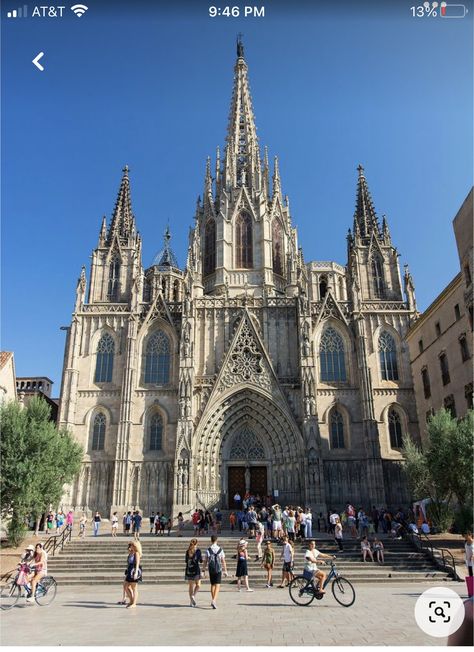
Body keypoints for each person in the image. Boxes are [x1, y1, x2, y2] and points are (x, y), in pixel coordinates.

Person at [202, 535, 228, 609]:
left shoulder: (208, 550)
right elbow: (223, 561)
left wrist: (203, 570)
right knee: (218, 585)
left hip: (211, 569)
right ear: (217, 540)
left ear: (211, 540)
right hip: (218, 569)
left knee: (212, 584)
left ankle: (213, 600)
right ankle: (214, 600)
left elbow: (205, 561)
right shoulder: (220, 549)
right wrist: (225, 570)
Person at [123, 540, 142, 608]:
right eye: (130, 545)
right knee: (126, 586)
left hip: (134, 570)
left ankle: (134, 603)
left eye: (132, 545)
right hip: (129, 570)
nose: (131, 546)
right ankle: (131, 600)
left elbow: (137, 563)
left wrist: (136, 572)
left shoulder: (136, 553)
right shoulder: (131, 553)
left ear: (135, 546)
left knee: (134, 588)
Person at [185, 538, 202, 607]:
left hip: (189, 569)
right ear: (197, 543)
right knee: (198, 585)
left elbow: (186, 561)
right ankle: (193, 596)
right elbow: (200, 560)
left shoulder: (187, 551)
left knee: (191, 586)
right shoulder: (198, 551)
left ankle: (191, 601)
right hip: (196, 570)